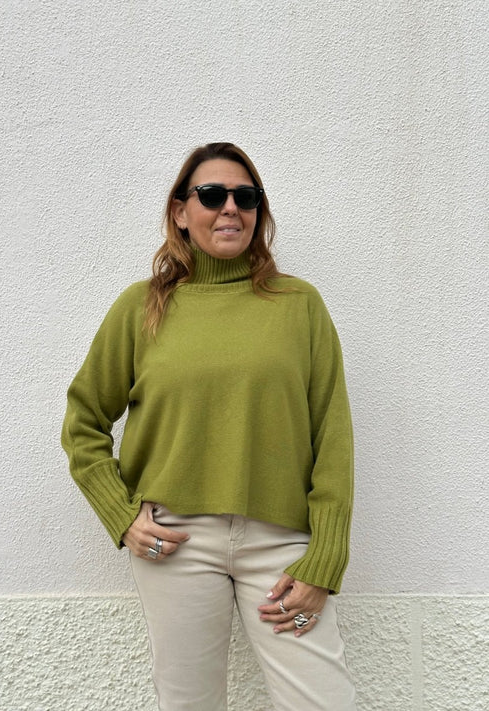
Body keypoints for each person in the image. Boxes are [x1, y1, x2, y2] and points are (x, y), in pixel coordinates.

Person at [61, 142, 356, 710]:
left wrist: (325, 558)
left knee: (324, 701)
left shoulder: (299, 305)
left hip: (281, 544)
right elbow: (83, 420)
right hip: (176, 544)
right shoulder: (142, 308)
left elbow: (333, 438)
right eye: (213, 194)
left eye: (246, 197)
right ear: (181, 211)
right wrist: (121, 515)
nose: (230, 208)